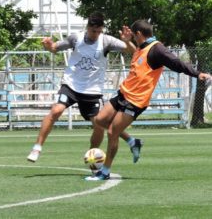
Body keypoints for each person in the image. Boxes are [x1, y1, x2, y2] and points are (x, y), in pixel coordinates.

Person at [85, 19, 211, 181]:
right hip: (123, 94)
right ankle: (132, 141)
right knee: (100, 120)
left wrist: (197, 74)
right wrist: (127, 41)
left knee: (112, 132)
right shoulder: (142, 47)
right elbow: (135, 52)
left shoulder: (157, 49)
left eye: (134, 36)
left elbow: (176, 63)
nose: (134, 39)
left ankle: (105, 172)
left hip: (135, 101)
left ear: (139, 34)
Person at [27, 12, 143, 164]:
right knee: (56, 110)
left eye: (99, 31)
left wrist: (127, 42)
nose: (96, 34)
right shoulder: (76, 38)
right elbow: (55, 47)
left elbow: (133, 51)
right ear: (87, 27)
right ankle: (37, 148)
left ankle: (97, 155)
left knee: (99, 125)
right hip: (71, 85)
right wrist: (49, 45)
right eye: (93, 31)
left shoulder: (106, 41)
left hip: (92, 90)